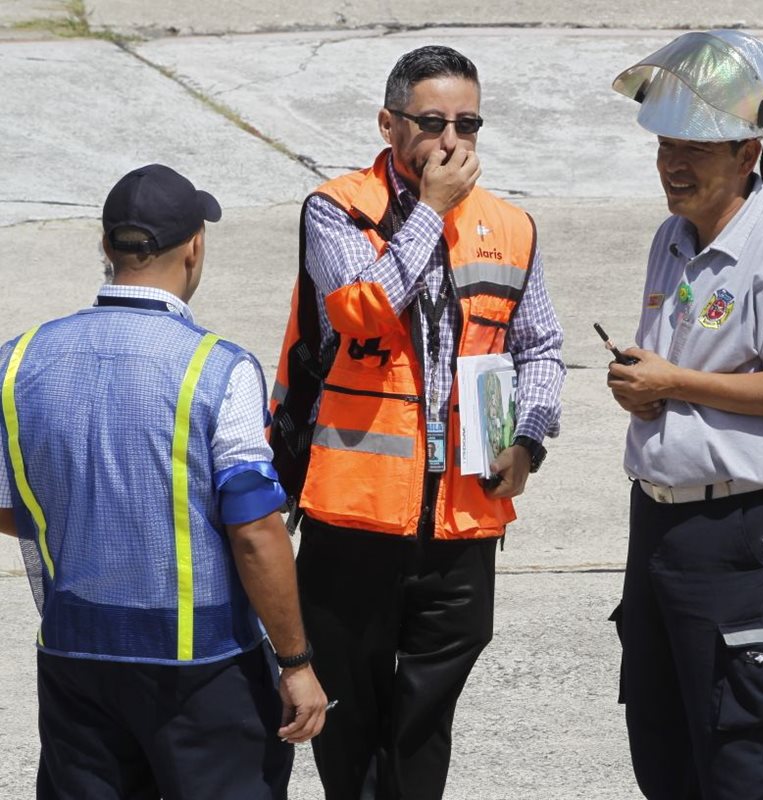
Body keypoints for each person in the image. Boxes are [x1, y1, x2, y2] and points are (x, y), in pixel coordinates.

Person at [268, 45, 565, 799]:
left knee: (425, 720)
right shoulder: (336, 210)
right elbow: (363, 305)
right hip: (355, 515)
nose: (451, 141)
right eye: (432, 122)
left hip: (462, 517)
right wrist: (429, 213)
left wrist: (529, 437)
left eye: (468, 122)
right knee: (350, 715)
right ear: (389, 123)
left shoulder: (510, 226)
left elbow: (542, 347)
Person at [0, 164, 326, 800]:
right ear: (195, 245)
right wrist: (296, 663)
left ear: (106, 246)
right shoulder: (219, 368)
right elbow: (256, 531)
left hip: (75, 656)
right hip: (202, 672)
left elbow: (9, 506)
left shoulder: (18, 359)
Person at [605, 30, 763, 800]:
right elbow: (673, 372)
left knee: (744, 752)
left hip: (738, 535)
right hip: (660, 525)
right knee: (662, 745)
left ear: (746, 153)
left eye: (695, 146)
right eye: (666, 141)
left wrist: (677, 382)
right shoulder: (670, 239)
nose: (673, 161)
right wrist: (645, 384)